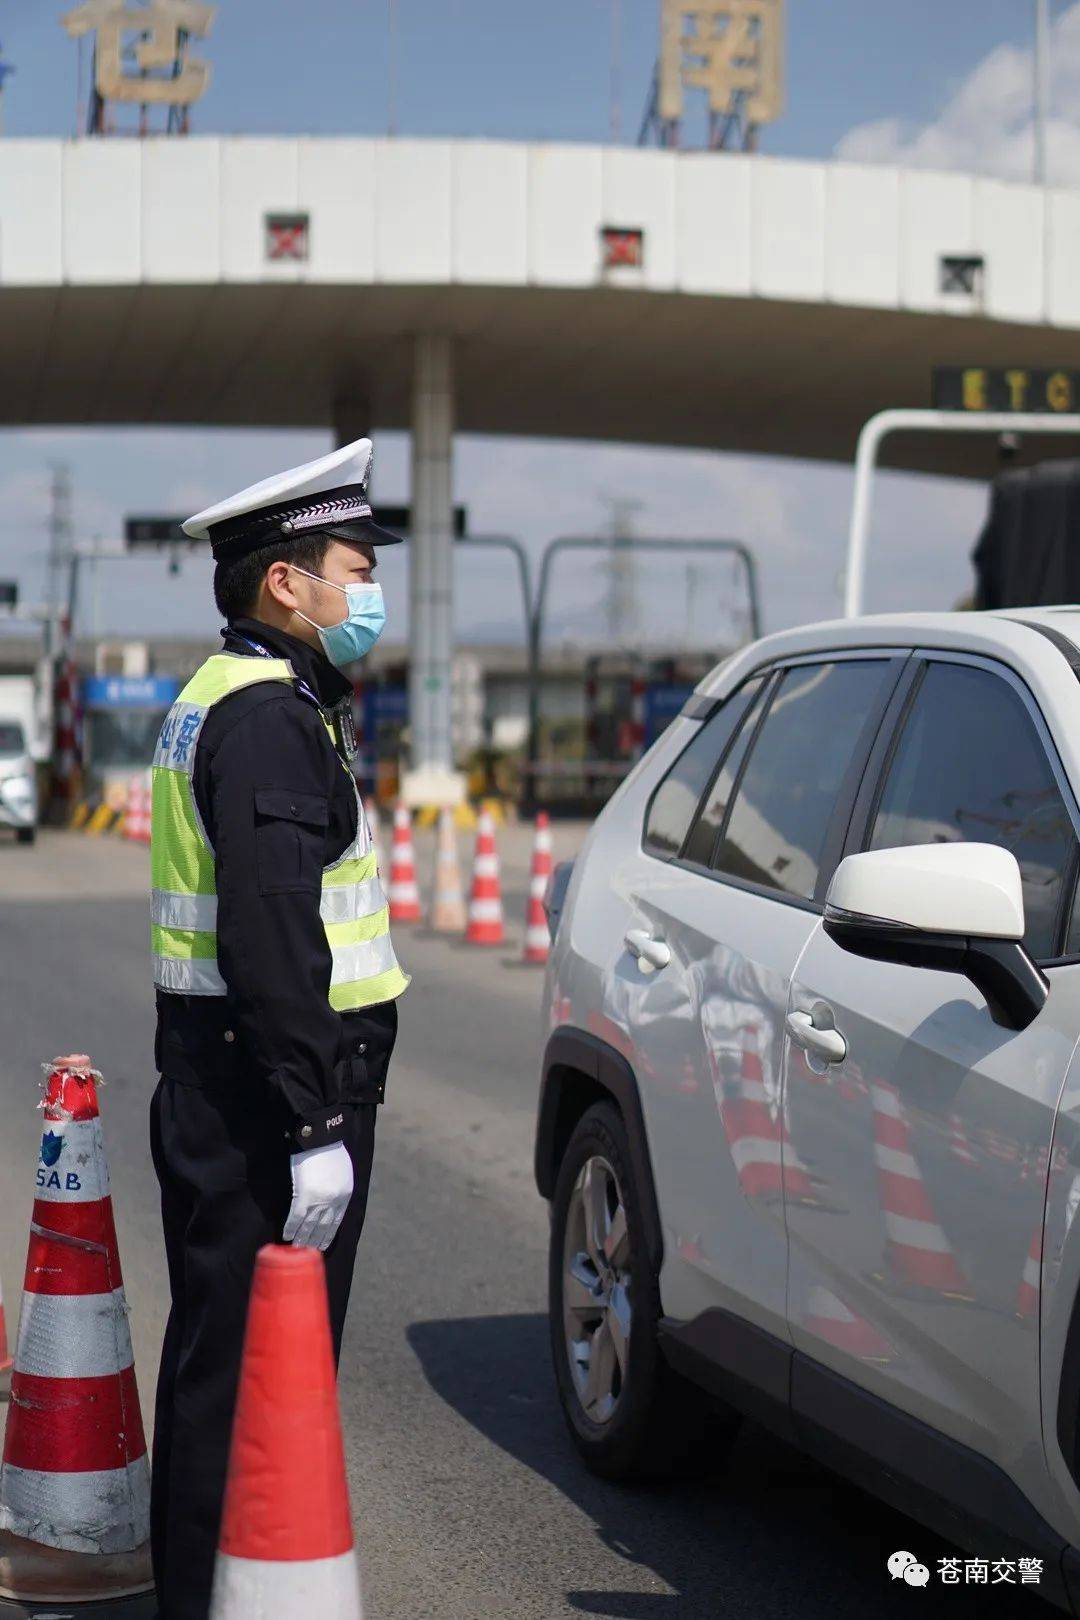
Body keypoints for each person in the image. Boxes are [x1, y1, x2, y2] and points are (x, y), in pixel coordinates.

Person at [148, 437, 409, 1620]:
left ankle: (210, 1589)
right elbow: (272, 934)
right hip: (269, 1094)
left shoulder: (249, 699)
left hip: (232, 1079)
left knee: (223, 1354)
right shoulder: (263, 718)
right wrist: (313, 1116)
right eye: (355, 566)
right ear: (286, 583)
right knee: (252, 1370)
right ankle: (219, 1596)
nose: (370, 591)